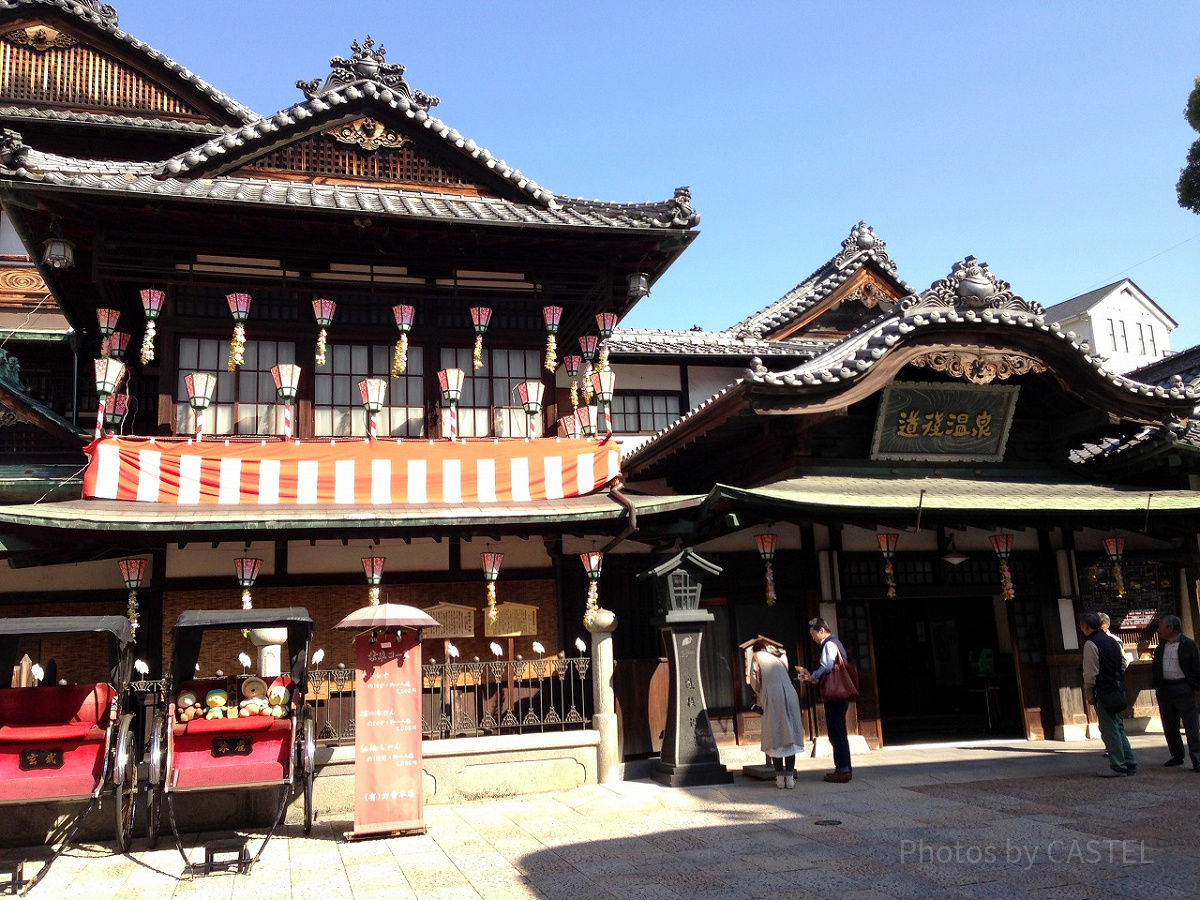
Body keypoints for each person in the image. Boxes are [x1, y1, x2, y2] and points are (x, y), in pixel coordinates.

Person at [1079, 612, 1136, 777]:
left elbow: (1090, 672)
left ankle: (1118, 765)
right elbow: (1123, 663)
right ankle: (1129, 761)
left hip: (1104, 690)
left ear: (1086, 626)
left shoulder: (1091, 644)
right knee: (1118, 727)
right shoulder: (1112, 641)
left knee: (1109, 729)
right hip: (1118, 688)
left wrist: (1089, 693)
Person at [799, 618, 852, 783]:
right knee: (839, 731)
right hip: (840, 694)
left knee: (837, 732)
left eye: (813, 634)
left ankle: (843, 769)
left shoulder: (829, 644)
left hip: (835, 695)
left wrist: (813, 675)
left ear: (821, 630)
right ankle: (843, 768)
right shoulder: (836, 643)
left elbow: (828, 666)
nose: (813, 638)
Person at [748, 638, 805, 789]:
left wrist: (759, 693)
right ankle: (790, 778)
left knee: (775, 734)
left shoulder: (756, 657)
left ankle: (779, 778)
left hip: (772, 695)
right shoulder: (781, 657)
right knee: (789, 734)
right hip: (790, 693)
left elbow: (754, 680)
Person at [1150, 614, 1200, 772]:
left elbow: (1197, 667)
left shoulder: (1189, 645)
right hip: (1165, 689)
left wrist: (1191, 685)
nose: (1159, 630)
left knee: (1191, 725)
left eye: (1161, 626)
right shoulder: (1161, 647)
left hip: (1183, 687)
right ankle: (1177, 755)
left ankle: (1197, 758)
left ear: (1171, 628)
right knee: (1169, 725)